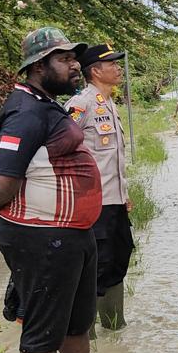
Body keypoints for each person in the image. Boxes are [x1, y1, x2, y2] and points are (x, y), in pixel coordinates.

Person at [0, 27, 103, 353]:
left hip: (71, 235)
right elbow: (1, 187)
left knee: (75, 322)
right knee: (42, 329)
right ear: (38, 67)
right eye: (65, 60)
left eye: (74, 59)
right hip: (42, 237)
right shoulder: (25, 111)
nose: (75, 66)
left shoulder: (46, 103)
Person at [66, 43, 135, 332]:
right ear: (95, 70)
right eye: (112, 64)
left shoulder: (110, 104)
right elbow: (60, 148)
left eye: (118, 63)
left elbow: (112, 158)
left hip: (115, 201)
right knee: (95, 268)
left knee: (119, 257)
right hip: (94, 205)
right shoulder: (81, 105)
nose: (118, 68)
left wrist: (125, 193)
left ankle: (115, 327)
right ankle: (86, 337)